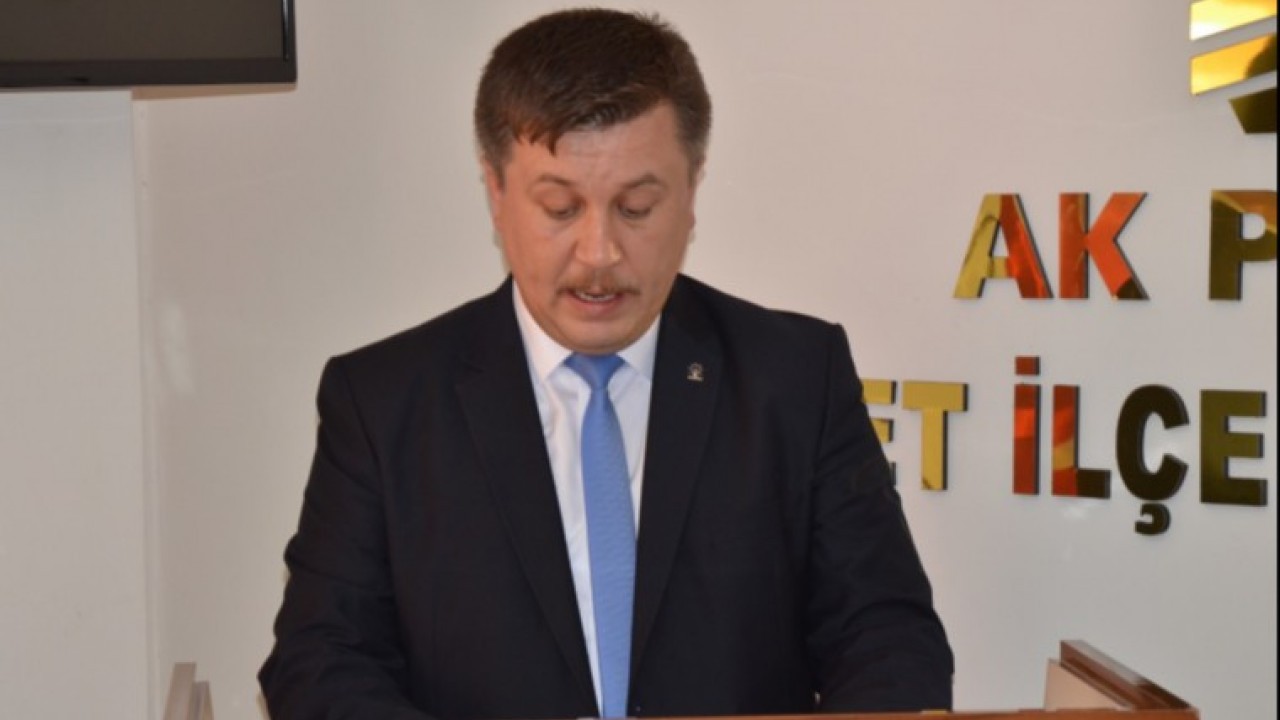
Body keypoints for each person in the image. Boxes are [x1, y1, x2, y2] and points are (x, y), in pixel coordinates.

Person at [259, 8, 953, 719]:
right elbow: (322, 662)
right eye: (560, 208)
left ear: (691, 190)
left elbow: (888, 639)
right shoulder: (383, 404)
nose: (599, 253)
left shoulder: (795, 380)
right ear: (496, 193)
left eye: (636, 207)